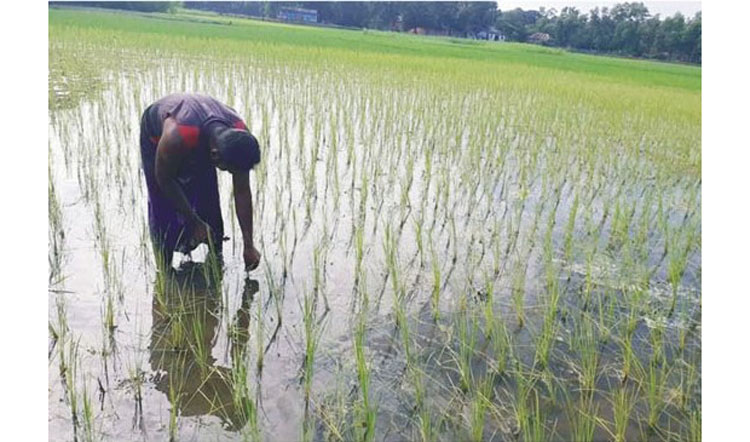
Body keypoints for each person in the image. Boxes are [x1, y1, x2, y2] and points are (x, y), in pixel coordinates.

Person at [139, 93, 261, 271]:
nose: (235, 175)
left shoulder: (240, 136)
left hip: (201, 135)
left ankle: (215, 260)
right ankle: (164, 270)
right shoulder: (177, 136)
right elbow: (164, 180)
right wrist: (194, 221)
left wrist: (249, 245)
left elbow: (242, 191)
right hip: (156, 137)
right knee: (162, 206)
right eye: (229, 170)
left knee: (208, 197)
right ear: (215, 155)